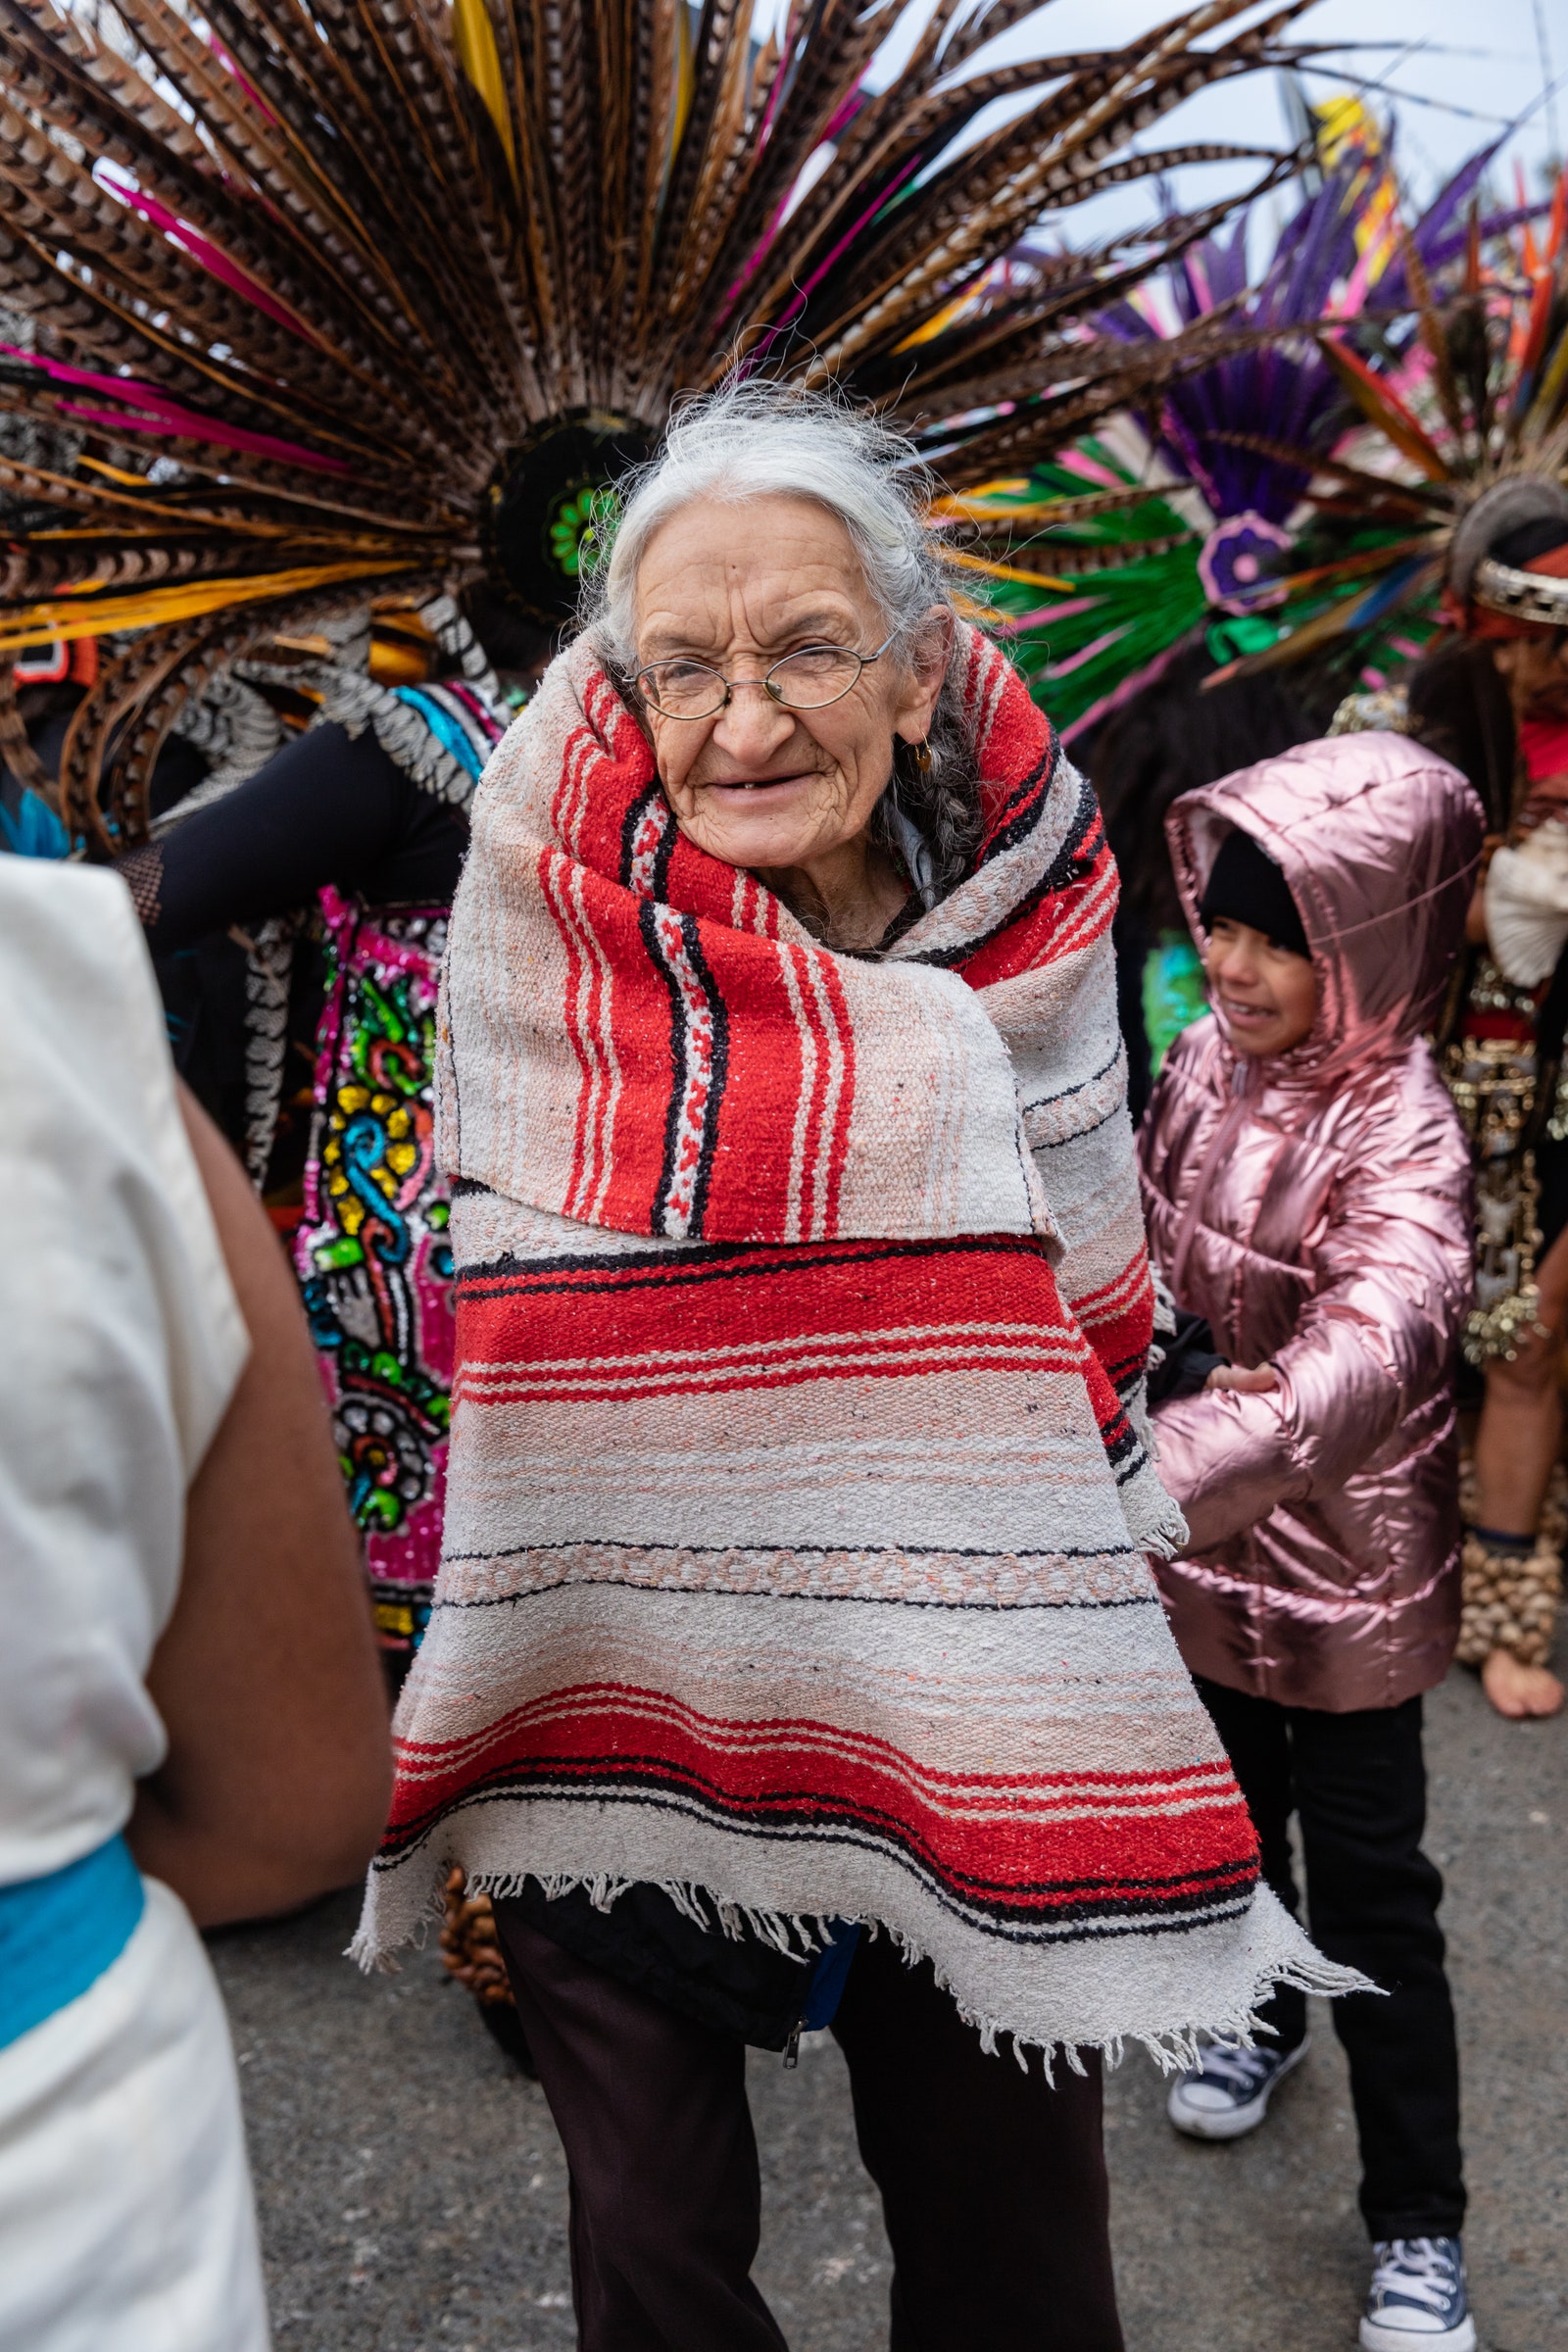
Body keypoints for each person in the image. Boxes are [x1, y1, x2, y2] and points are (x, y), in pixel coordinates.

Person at [353, 383, 1355, 2352]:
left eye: (804, 650)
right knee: (651, 2259)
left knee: (1015, 2258)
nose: (739, 722)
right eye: (685, 668)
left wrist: (1169, 1466)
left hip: (959, 1684)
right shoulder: (548, 946)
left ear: (913, 673)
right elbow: (468, 1308)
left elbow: (1090, 1299)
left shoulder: (1038, 928)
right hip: (615, 1688)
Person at [0, 857, 392, 2349]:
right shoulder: (45, 1002)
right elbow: (289, 1800)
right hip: (72, 2171)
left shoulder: (398, 750)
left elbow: (208, 865)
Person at [1138, 732, 1483, 2352]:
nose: (1238, 960)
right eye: (1227, 920)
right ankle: (1259, 2017)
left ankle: (1421, 2223)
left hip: (1343, 1569)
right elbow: (1142, 1241)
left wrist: (1169, 1452)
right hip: (1198, 1551)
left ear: (1370, 942)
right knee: (1219, 1828)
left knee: (1376, 1897)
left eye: (1285, 934)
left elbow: (1371, 1341)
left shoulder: (1407, 1131)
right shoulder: (1204, 1061)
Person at [1419, 479, 1568, 1721]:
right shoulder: (1440, 719)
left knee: (1525, 1341)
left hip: (1554, 1092)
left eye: (1542, 640)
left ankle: (1507, 1602)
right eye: (1510, 639)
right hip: (1448, 1068)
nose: (1525, 664)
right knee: (1437, 1334)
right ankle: (1417, 1573)